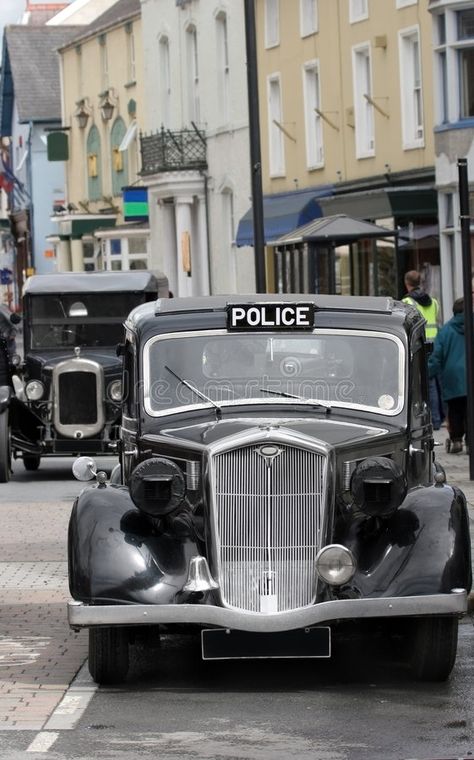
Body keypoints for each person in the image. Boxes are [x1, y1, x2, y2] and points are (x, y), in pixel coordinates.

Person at [402, 270, 443, 429]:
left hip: (420, 347)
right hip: (436, 345)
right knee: (437, 383)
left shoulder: (407, 302)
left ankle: (432, 420)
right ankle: (440, 418)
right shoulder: (433, 302)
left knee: (426, 385)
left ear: (407, 283)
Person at [428, 297, 467, 454]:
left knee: (455, 409)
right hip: (470, 377)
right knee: (469, 410)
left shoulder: (445, 331)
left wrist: (427, 373)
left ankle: (456, 440)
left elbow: (436, 356)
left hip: (452, 376)